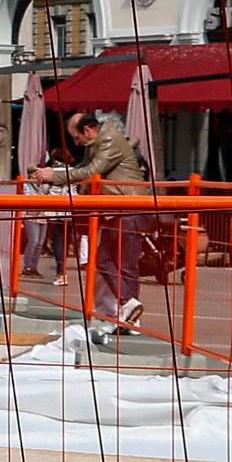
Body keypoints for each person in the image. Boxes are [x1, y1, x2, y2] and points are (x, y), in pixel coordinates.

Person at [35, 106, 151, 330]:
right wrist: (47, 172)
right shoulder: (97, 143)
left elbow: (91, 171)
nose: (76, 143)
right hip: (116, 209)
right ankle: (129, 310)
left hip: (128, 207)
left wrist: (55, 176)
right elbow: (82, 168)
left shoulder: (109, 140)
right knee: (106, 260)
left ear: (88, 130)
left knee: (123, 263)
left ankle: (129, 309)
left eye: (76, 137)